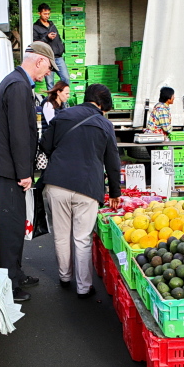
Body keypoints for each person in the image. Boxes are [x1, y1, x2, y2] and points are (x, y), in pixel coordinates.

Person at [0, 41, 57, 304]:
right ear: (38, 61)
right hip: (9, 168)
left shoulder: (18, 82)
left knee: (15, 223)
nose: (48, 74)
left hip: (7, 166)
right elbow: (19, 133)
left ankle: (15, 272)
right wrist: (24, 172)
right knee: (11, 224)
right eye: (48, 68)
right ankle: (9, 282)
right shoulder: (17, 86)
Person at [39, 84, 122, 298]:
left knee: (61, 235)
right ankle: (84, 287)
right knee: (82, 238)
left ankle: (64, 276)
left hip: (57, 182)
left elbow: (45, 144)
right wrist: (114, 192)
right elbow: (112, 161)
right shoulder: (105, 124)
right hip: (87, 186)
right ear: (103, 104)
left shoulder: (63, 114)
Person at [32, 3, 70, 87]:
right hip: (47, 58)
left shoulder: (52, 25)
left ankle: (63, 99)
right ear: (39, 13)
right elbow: (36, 44)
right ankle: (52, 100)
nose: (47, 16)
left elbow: (58, 38)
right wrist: (47, 37)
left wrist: (61, 48)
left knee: (66, 79)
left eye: (48, 14)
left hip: (58, 57)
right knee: (50, 83)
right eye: (45, 14)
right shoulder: (35, 27)